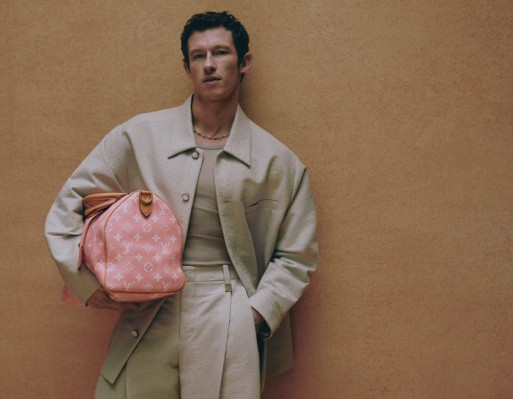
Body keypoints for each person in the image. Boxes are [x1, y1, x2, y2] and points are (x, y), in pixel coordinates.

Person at [44, 11, 318, 399]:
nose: (209, 65)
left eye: (220, 53)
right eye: (197, 56)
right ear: (186, 66)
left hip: (228, 311)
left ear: (244, 63)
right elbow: (68, 205)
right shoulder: (138, 136)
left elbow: (296, 256)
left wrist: (254, 314)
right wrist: (84, 283)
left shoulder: (278, 162)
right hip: (149, 304)